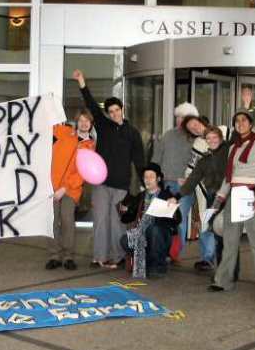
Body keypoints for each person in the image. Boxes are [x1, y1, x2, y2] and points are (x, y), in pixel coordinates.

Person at [72, 69, 144, 269]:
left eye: (116, 111)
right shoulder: (103, 125)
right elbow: (91, 104)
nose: (113, 114)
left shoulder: (133, 133)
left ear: (122, 110)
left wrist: (142, 186)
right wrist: (82, 82)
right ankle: (99, 256)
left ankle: (118, 256)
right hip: (101, 184)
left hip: (121, 186)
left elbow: (139, 160)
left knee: (116, 223)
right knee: (100, 221)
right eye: (110, 111)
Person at [208, 111, 255, 300]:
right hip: (234, 197)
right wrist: (219, 199)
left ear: (250, 123)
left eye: (243, 120)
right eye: (236, 121)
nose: (240, 124)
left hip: (251, 196)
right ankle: (222, 281)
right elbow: (229, 177)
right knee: (229, 242)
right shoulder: (233, 148)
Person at [168, 126, 229, 271]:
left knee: (226, 232)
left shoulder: (228, 151)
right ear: (205, 141)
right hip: (212, 197)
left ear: (221, 138)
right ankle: (215, 263)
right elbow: (192, 181)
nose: (212, 140)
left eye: (215, 137)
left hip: (227, 196)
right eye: (209, 138)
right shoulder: (204, 161)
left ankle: (225, 268)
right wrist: (177, 196)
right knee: (210, 228)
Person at [46, 110, 96, 271]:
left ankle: (68, 256)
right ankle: (54, 255)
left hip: (70, 189)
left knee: (67, 221)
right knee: (52, 222)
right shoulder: (66, 132)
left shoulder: (90, 146)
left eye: (86, 121)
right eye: (80, 120)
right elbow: (47, 127)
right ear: (76, 122)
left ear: (90, 123)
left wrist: (65, 188)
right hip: (52, 186)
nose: (83, 123)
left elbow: (82, 172)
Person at [118, 163, 181, 279]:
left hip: (161, 235)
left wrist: (172, 209)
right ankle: (146, 260)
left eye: (151, 177)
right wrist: (125, 210)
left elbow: (177, 219)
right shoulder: (141, 196)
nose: (148, 180)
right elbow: (127, 219)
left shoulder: (166, 195)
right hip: (142, 234)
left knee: (154, 229)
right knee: (125, 239)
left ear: (158, 179)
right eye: (145, 177)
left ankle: (158, 266)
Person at [152, 102, 198, 252]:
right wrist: (154, 179)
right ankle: (163, 251)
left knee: (179, 220)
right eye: (178, 117)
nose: (179, 120)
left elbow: (200, 164)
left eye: (183, 117)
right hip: (166, 185)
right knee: (161, 219)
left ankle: (175, 253)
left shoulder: (196, 139)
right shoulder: (168, 135)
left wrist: (189, 179)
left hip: (185, 187)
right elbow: (156, 158)